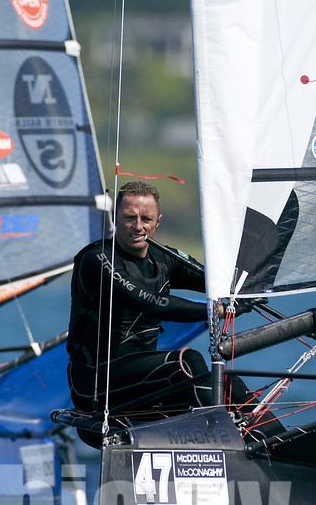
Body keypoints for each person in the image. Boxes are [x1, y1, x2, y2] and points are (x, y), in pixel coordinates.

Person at [67, 181, 273, 430]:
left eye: (146, 218)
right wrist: (217, 311)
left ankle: (277, 441)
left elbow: (218, 281)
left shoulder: (164, 258)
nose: (138, 226)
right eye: (130, 217)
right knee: (187, 362)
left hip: (145, 382)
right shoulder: (98, 259)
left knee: (228, 385)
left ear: (158, 221)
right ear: (115, 218)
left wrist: (247, 289)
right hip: (95, 385)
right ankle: (221, 437)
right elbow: (150, 302)